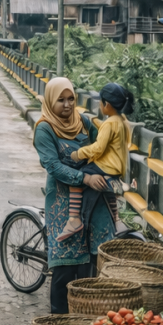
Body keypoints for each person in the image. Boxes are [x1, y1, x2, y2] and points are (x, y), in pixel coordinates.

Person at [33, 77, 117, 313]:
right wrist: (85, 178)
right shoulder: (44, 128)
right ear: (50, 101)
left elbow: (103, 144)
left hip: (92, 198)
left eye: (71, 99)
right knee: (66, 264)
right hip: (62, 199)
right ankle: (59, 320)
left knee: (92, 259)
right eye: (61, 100)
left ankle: (84, 316)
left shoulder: (83, 121)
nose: (67, 105)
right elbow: (53, 165)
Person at [58, 83, 133, 241]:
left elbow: (98, 148)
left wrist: (78, 153)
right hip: (116, 167)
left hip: (105, 166)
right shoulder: (122, 121)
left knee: (78, 177)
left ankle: (74, 218)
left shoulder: (109, 124)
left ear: (107, 104)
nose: (99, 105)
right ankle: (117, 219)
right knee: (108, 193)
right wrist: (95, 123)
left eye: (100, 102)